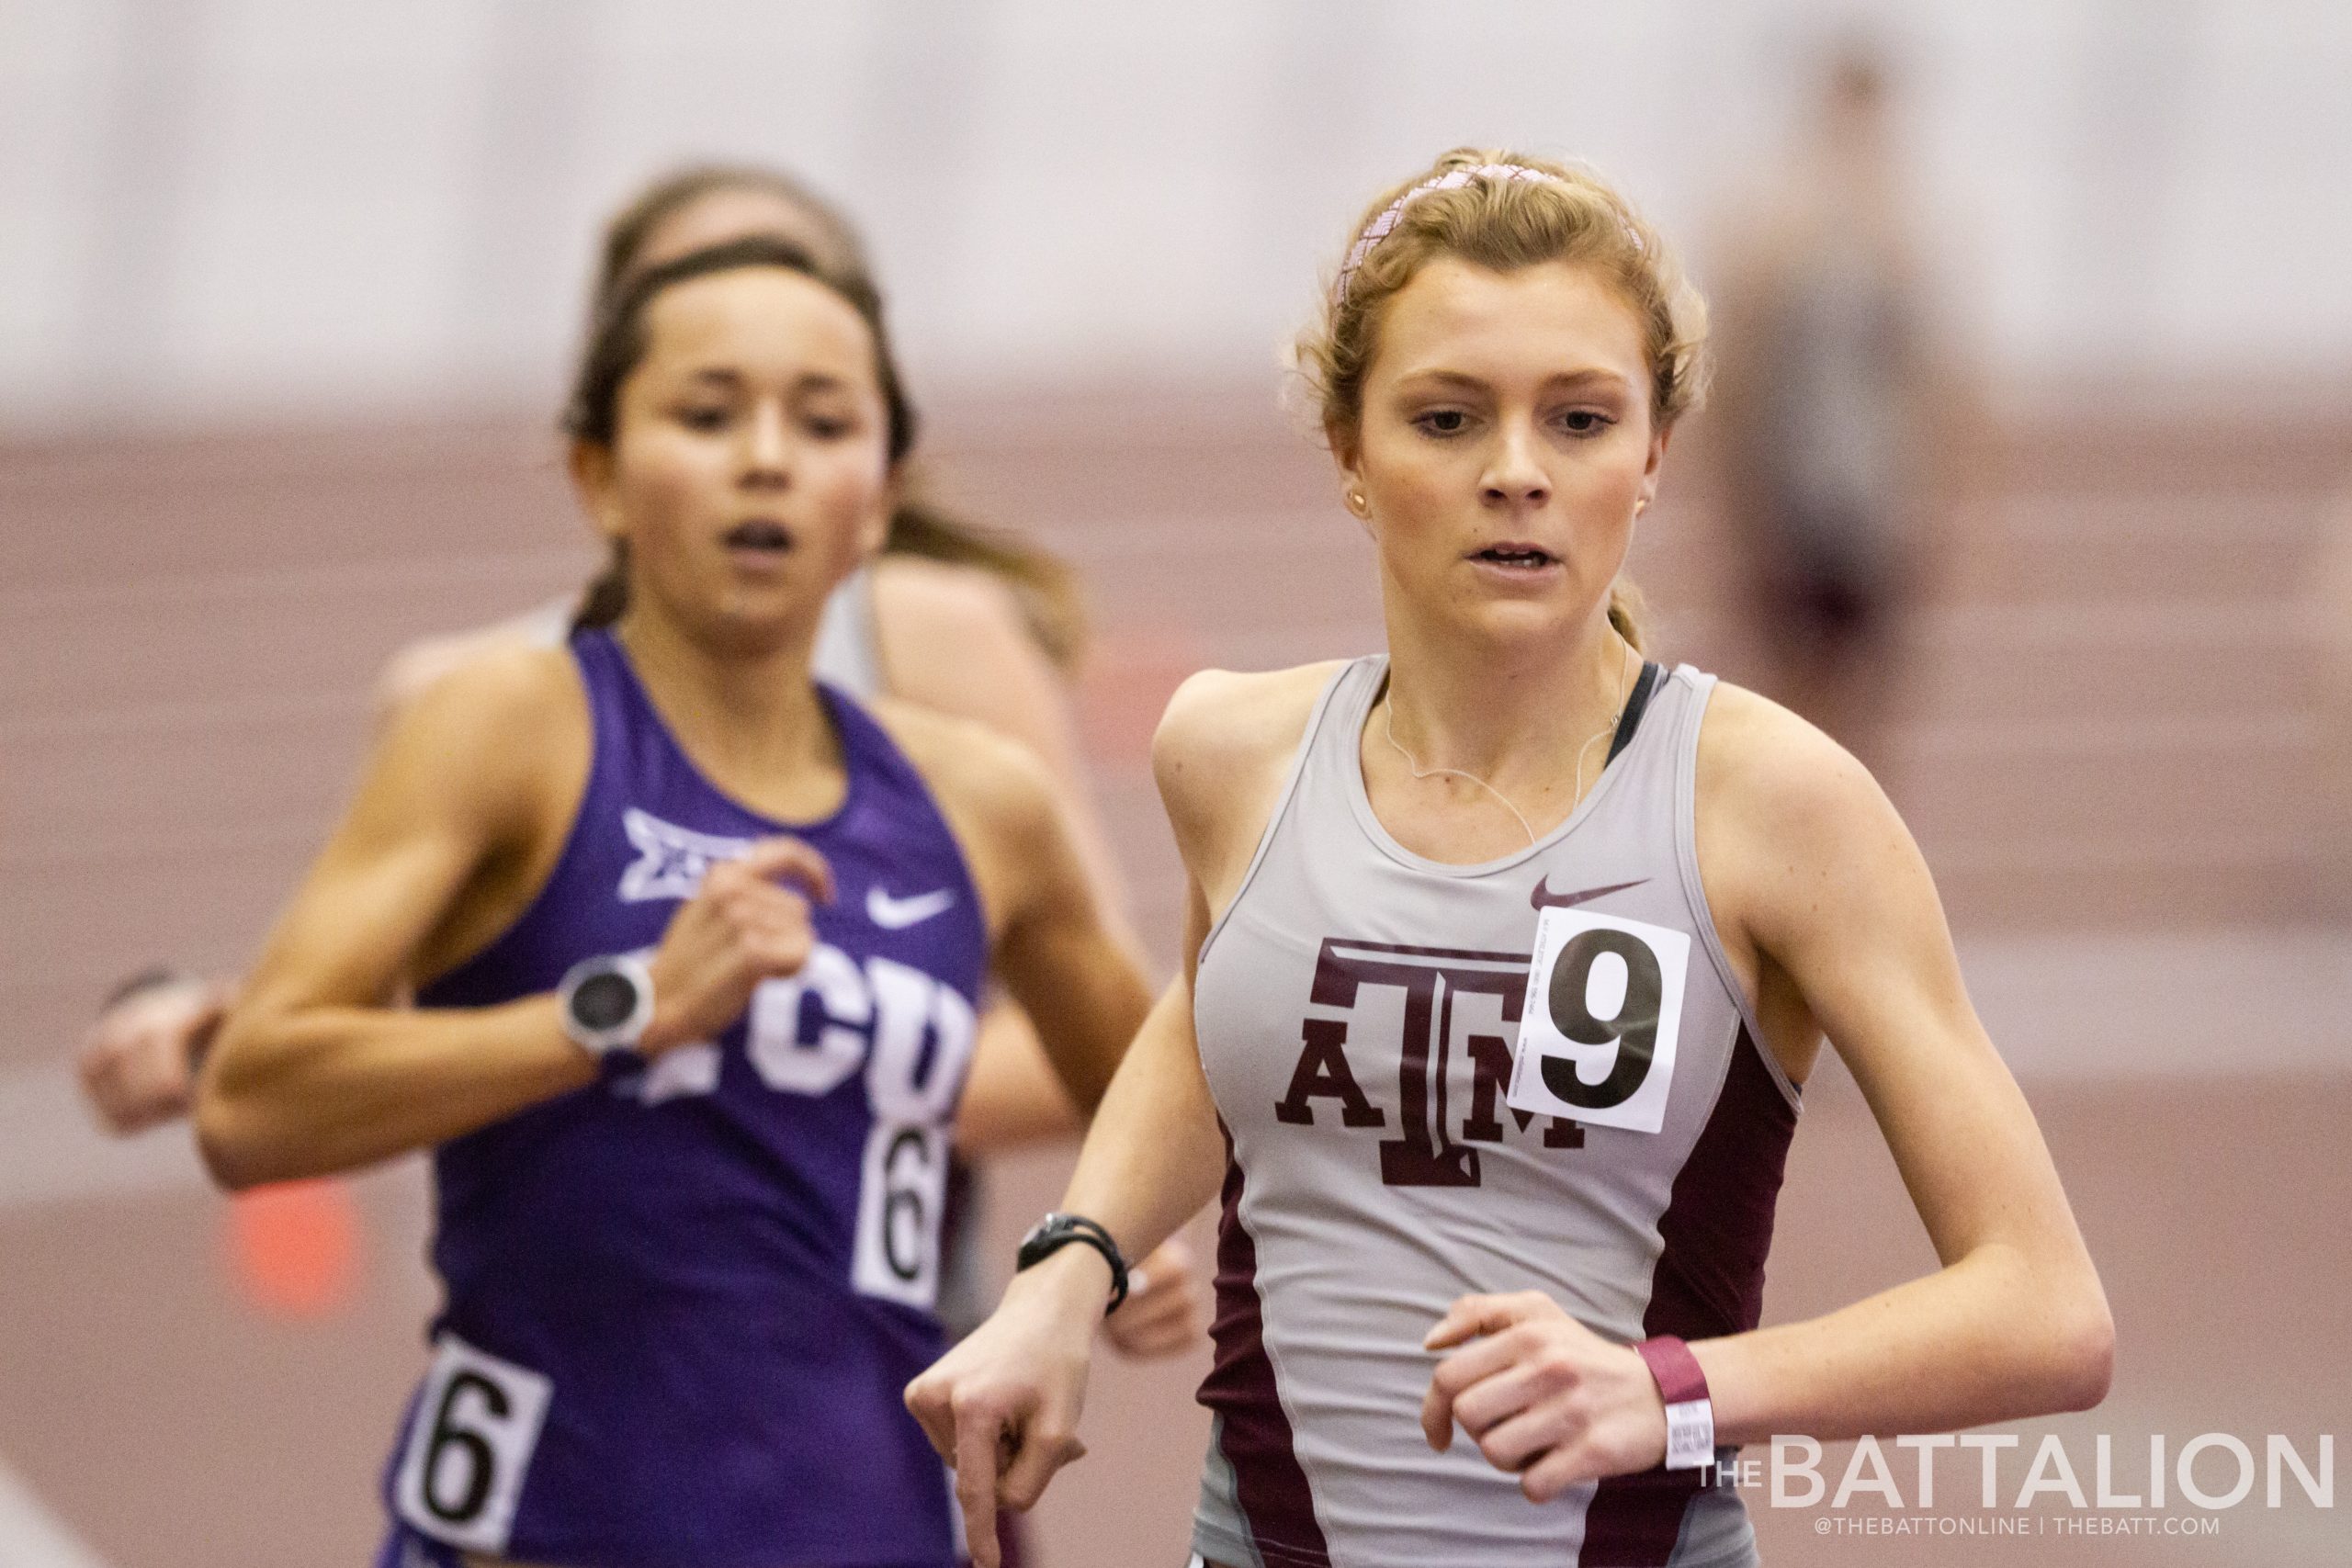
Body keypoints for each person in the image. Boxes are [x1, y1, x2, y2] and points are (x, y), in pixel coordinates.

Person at [906, 151, 2112, 1568]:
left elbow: (2045, 1307)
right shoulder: (1230, 751)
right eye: (1447, 416)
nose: (1518, 472)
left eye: (1582, 417)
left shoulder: (1773, 804)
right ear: (1352, 455)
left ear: (1654, 453)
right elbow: (1226, 1009)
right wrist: (1072, 1262)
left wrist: (1668, 1390)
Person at [73, 164, 1202, 1371]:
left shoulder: (944, 659)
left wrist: (789, 1055)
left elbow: (1122, 1052)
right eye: (711, 377)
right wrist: (225, 1027)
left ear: (876, 443)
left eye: (814, 389)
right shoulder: (475, 700)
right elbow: (428, 1008)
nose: (762, 443)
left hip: (896, 1365)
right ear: (605, 432)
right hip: (566, 1384)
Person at [1705, 41, 1971, 772]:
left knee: (1868, 702)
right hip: (1794, 496)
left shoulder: (1910, 236)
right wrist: (1734, 508)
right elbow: (1735, 374)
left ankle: (1853, 857)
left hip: (1874, 502)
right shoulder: (1770, 232)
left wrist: (1941, 506)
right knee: (1788, 698)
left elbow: (1941, 386)